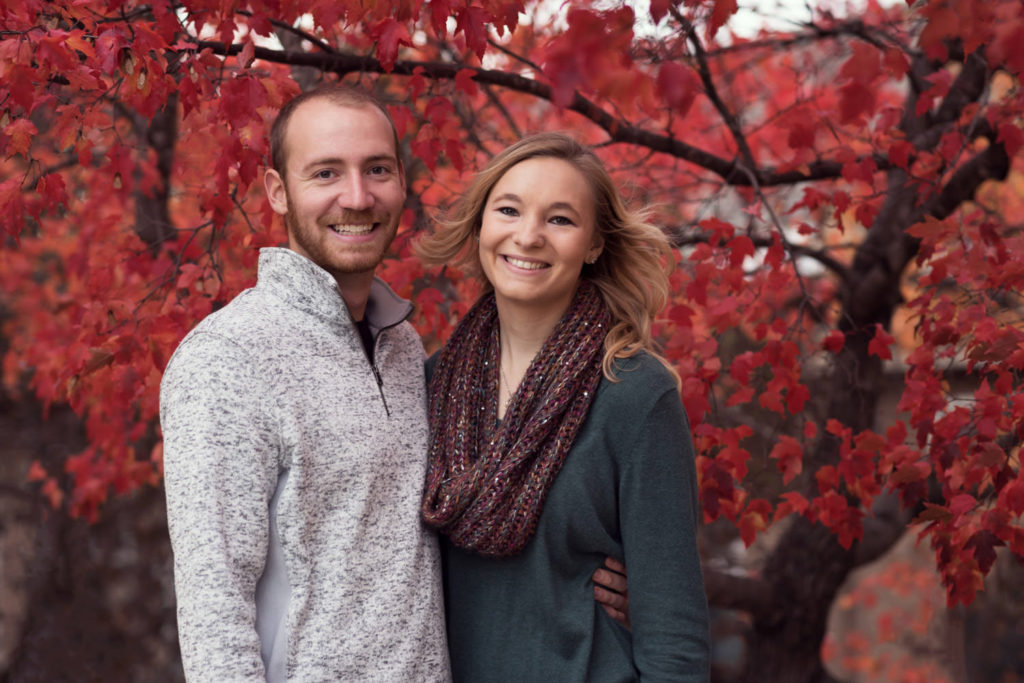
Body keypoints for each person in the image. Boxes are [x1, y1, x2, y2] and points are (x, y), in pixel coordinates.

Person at [160, 86, 629, 681]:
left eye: (377, 170)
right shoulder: (228, 358)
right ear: (277, 191)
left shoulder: (406, 349)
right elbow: (214, 615)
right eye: (326, 172)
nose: (357, 197)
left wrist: (602, 590)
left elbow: (467, 523)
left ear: (402, 182)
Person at [417, 132, 711, 681]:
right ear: (481, 225)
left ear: (594, 243)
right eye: (509, 210)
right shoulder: (430, 385)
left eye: (560, 219)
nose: (528, 236)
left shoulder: (634, 394)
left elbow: (675, 638)